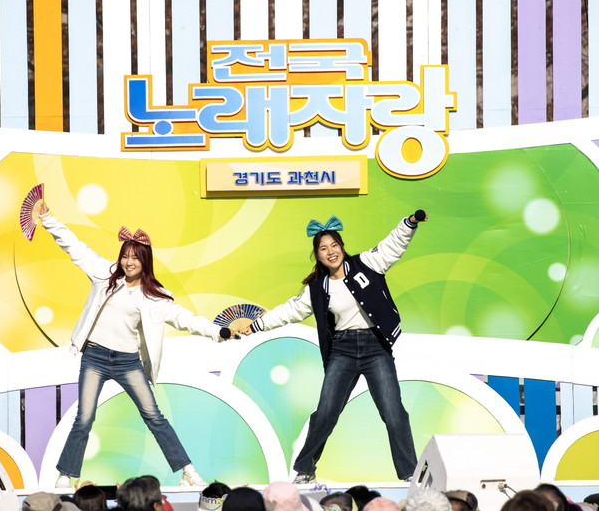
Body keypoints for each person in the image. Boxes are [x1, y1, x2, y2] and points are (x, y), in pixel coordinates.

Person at [39, 202, 234, 487]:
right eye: (125, 256)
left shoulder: (155, 296)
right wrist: (47, 218)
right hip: (94, 357)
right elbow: (75, 247)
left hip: (128, 362)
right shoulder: (104, 274)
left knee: (154, 417)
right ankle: (66, 475)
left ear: (145, 261)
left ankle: (188, 472)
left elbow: (185, 319)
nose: (128, 262)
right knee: (85, 417)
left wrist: (218, 332)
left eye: (135, 258)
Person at [239, 211, 427, 483]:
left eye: (334, 245)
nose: (330, 252)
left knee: (393, 411)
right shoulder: (318, 288)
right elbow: (290, 310)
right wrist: (257, 325)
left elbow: (392, 245)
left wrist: (409, 223)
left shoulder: (367, 263)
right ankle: (305, 471)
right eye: (323, 249)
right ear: (317, 256)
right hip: (343, 350)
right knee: (326, 412)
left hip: (376, 348)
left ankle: (410, 473)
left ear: (342, 247)